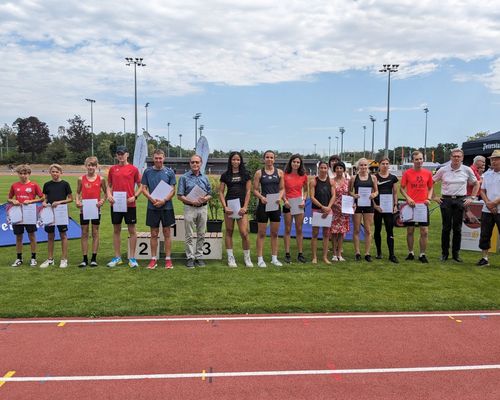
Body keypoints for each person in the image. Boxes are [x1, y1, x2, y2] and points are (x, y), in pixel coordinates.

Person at [433, 148, 479, 262]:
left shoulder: (467, 170)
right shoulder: (443, 170)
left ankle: (455, 254)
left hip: (460, 200)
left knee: (457, 228)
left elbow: (476, 183)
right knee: (446, 228)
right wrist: (434, 197)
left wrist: (472, 197)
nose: (456, 158)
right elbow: (431, 182)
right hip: (446, 200)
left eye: (459, 156)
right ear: (451, 157)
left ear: (462, 158)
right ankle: (444, 254)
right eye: (454, 156)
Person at [106, 146, 142, 268]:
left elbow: (141, 185)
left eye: (122, 153)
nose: (120, 156)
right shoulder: (112, 169)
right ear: (116, 155)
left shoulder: (133, 169)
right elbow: (109, 185)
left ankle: (132, 258)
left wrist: (135, 196)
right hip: (116, 204)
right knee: (116, 230)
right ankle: (117, 257)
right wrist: (109, 194)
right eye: (118, 154)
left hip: (130, 204)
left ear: (127, 154)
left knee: (132, 230)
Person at [141, 149, 177, 269]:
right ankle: (153, 259)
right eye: (156, 158)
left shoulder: (169, 172)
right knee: (154, 233)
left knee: (167, 233)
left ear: (164, 158)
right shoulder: (147, 172)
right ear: (153, 158)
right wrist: (151, 199)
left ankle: (168, 259)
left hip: (166, 207)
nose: (158, 160)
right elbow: (144, 188)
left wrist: (164, 200)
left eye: (160, 158)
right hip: (152, 207)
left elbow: (173, 190)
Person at [177, 154, 212, 268]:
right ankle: (190, 257)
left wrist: (205, 198)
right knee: (189, 235)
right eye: (193, 162)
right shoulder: (184, 177)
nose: (195, 164)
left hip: (202, 208)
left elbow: (210, 193)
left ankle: (199, 256)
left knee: (201, 234)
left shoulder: (205, 178)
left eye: (197, 162)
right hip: (189, 208)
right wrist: (192, 202)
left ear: (201, 164)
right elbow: (180, 195)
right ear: (190, 164)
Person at [219, 151, 253, 267]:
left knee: (244, 233)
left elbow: (248, 191)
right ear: (230, 161)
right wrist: (225, 207)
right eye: (234, 159)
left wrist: (245, 207)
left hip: (241, 207)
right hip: (229, 206)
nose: (236, 161)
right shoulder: (225, 175)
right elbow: (221, 192)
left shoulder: (246, 174)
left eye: (238, 159)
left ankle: (247, 258)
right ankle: (230, 258)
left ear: (240, 161)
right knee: (229, 231)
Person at [400, 151, 434, 263]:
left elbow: (431, 187)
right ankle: (411, 253)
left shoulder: (428, 173)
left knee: (424, 231)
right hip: (411, 206)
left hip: (423, 206)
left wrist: (428, 198)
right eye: (416, 159)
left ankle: (422, 254)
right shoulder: (407, 173)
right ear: (412, 161)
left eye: (420, 159)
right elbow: (401, 188)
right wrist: (408, 198)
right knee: (410, 230)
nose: (419, 161)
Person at [7, 164, 44, 267]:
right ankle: (19, 258)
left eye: (25, 173)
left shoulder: (34, 185)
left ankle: (33, 258)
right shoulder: (14, 185)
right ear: (18, 174)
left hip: (29, 213)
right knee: (19, 237)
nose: (23, 176)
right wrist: (13, 200)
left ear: (29, 174)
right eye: (21, 173)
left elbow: (42, 198)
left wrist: (31, 201)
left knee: (32, 236)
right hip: (17, 213)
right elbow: (9, 198)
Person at [253, 150, 285, 267]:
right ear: (264, 159)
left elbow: (282, 189)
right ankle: (260, 259)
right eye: (267, 157)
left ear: (274, 159)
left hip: (275, 205)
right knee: (261, 233)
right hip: (263, 205)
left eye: (271, 157)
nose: (269, 159)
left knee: (274, 233)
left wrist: (280, 197)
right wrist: (261, 197)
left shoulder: (280, 173)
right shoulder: (259, 173)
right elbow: (255, 190)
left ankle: (274, 258)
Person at [75, 156, 107, 267]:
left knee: (95, 232)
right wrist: (77, 201)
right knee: (84, 232)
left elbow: (106, 192)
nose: (91, 167)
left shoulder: (101, 179)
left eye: (93, 165)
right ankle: (84, 259)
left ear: (96, 166)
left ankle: (94, 258)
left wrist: (102, 201)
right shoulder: (81, 179)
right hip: (84, 209)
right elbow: (78, 193)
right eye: (89, 165)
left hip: (95, 209)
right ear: (86, 166)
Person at [40, 164, 73, 268]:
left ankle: (64, 259)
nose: (55, 173)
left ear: (60, 172)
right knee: (50, 236)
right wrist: (44, 203)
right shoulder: (47, 184)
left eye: (57, 171)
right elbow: (45, 198)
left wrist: (59, 202)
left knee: (63, 235)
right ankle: (50, 259)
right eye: (53, 171)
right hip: (49, 213)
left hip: (61, 212)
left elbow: (70, 199)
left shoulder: (65, 184)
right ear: (50, 172)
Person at [349, 158, 378, 262]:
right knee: (356, 230)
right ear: (358, 167)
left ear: (368, 166)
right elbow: (349, 192)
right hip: (357, 205)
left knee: (368, 230)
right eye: (361, 165)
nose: (363, 167)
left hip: (368, 206)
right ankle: (357, 252)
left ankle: (367, 253)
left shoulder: (373, 177)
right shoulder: (353, 178)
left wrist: (373, 194)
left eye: (365, 165)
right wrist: (354, 195)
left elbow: (376, 191)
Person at [283, 154, 308, 263]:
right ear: (290, 162)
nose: (296, 164)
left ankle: (300, 254)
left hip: (299, 204)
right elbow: (282, 190)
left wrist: (304, 200)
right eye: (294, 162)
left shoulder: (304, 176)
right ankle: (287, 254)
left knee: (299, 229)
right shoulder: (285, 175)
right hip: (288, 204)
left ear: (300, 164)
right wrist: (285, 200)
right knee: (288, 229)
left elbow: (306, 190)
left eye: (298, 162)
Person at [373, 157, 399, 263]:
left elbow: (395, 193)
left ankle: (392, 255)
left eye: (387, 163)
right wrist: (374, 205)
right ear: (379, 165)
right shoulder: (374, 177)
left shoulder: (393, 178)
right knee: (377, 230)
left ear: (389, 165)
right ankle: (379, 252)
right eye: (383, 163)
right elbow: (372, 192)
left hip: (388, 208)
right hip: (378, 208)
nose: (385, 165)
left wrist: (395, 205)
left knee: (389, 230)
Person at [477, 149, 500, 266]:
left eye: (496, 159)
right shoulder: (487, 174)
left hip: (498, 208)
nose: (494, 161)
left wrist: (494, 203)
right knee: (485, 234)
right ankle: (484, 258)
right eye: (492, 159)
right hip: (487, 210)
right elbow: (482, 190)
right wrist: (488, 203)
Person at [310, 161, 335, 264]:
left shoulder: (331, 182)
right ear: (318, 168)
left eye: (325, 168)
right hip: (317, 210)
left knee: (326, 234)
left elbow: (334, 196)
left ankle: (325, 257)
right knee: (315, 234)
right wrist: (321, 207)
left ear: (327, 169)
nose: (323, 170)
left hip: (328, 210)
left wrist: (328, 208)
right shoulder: (313, 181)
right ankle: (314, 257)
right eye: (322, 168)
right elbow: (311, 197)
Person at [330, 161, 350, 261]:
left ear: (343, 169)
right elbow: (330, 196)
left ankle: (339, 254)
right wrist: (334, 206)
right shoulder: (331, 181)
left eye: (340, 168)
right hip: (334, 209)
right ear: (334, 170)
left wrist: (352, 205)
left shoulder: (348, 181)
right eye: (337, 168)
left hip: (345, 210)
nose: (339, 170)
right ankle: (334, 254)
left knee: (342, 232)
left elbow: (350, 194)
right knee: (333, 232)